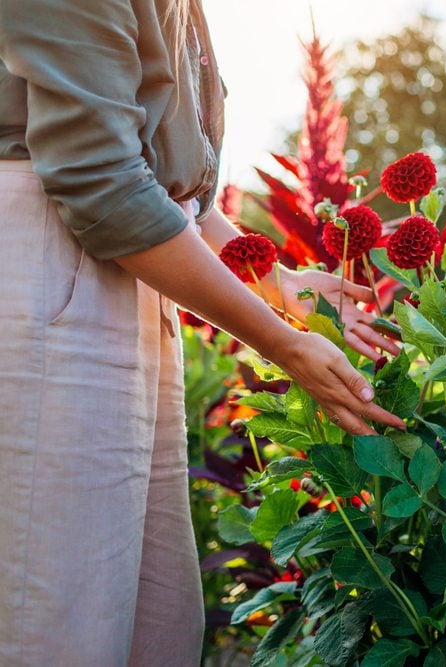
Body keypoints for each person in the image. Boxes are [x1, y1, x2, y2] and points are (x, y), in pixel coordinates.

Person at [0, 1, 403, 664]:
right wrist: (282, 342)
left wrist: (279, 283)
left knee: (152, 623)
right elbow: (102, 184)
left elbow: (171, 189)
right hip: (53, 275)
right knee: (53, 621)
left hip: (119, 268)